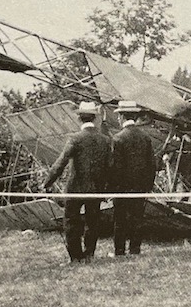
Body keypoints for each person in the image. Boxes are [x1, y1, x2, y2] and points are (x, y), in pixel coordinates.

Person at [42, 101, 111, 263]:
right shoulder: (105, 140)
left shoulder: (75, 138)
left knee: (71, 221)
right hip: (96, 189)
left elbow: (61, 162)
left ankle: (75, 256)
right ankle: (89, 254)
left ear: (79, 118)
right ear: (94, 118)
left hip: (76, 188)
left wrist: (47, 183)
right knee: (92, 221)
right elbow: (110, 167)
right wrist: (106, 188)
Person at [108, 101, 156, 256]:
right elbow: (152, 164)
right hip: (140, 186)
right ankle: (135, 249)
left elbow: (115, 167)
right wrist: (148, 185)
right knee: (137, 219)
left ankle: (119, 251)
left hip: (122, 188)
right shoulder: (145, 138)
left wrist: (113, 188)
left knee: (120, 220)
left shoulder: (118, 139)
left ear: (121, 116)